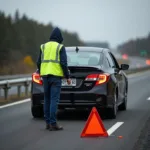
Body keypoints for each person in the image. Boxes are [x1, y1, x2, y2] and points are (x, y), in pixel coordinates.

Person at [36, 27, 71, 131]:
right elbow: (63, 63)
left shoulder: (43, 46)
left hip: (45, 77)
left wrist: (41, 71)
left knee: (47, 99)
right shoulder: (60, 47)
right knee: (54, 100)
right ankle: (53, 124)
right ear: (60, 38)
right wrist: (67, 76)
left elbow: (38, 62)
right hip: (55, 77)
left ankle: (47, 123)